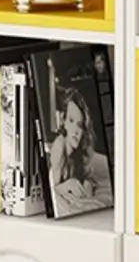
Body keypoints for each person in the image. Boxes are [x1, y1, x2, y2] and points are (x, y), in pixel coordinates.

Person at [48, 83, 112, 215]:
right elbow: (52, 189)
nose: (76, 131)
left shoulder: (78, 152)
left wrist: (87, 184)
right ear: (64, 122)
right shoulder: (59, 147)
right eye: (71, 121)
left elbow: (86, 176)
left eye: (80, 125)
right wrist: (66, 186)